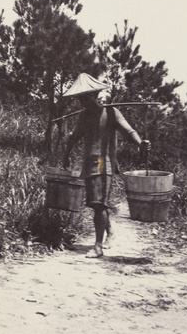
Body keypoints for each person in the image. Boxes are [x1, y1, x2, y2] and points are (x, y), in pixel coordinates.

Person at [62, 73, 151, 258]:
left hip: (104, 163)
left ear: (94, 95)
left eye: (85, 97)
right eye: (80, 98)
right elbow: (74, 137)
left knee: (99, 204)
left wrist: (140, 143)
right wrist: (66, 155)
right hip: (89, 162)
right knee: (96, 204)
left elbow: (128, 130)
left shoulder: (110, 112)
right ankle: (110, 232)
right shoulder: (84, 116)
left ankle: (98, 246)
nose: (82, 101)